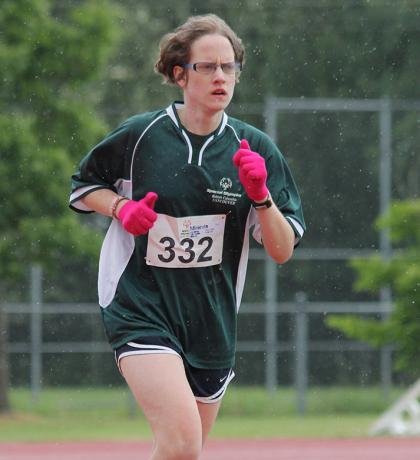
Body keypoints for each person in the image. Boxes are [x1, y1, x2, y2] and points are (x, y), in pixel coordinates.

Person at [69, 13, 305, 460]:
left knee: (180, 451)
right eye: (208, 66)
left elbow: (280, 250)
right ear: (180, 74)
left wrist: (261, 197)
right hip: (140, 304)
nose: (221, 76)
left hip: (211, 321)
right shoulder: (141, 136)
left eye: (229, 66)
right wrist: (122, 208)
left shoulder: (254, 149)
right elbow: (84, 186)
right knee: (182, 444)